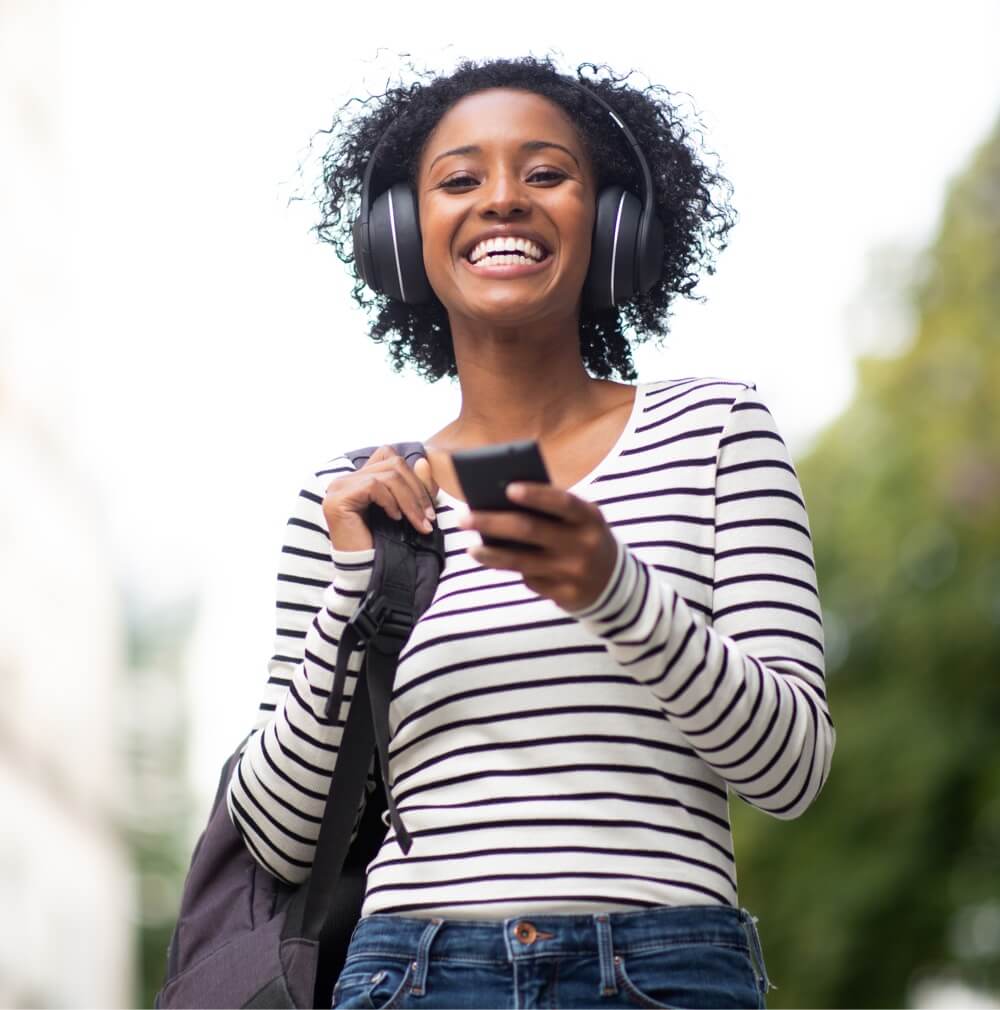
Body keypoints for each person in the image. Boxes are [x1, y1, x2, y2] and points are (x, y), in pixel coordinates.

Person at [226, 55, 835, 1009]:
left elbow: (791, 770)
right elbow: (278, 834)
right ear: (401, 236)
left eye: (546, 174)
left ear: (613, 222)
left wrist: (613, 591)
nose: (503, 201)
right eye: (460, 180)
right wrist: (352, 588)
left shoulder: (718, 431)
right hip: (411, 977)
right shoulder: (352, 501)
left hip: (663, 970)